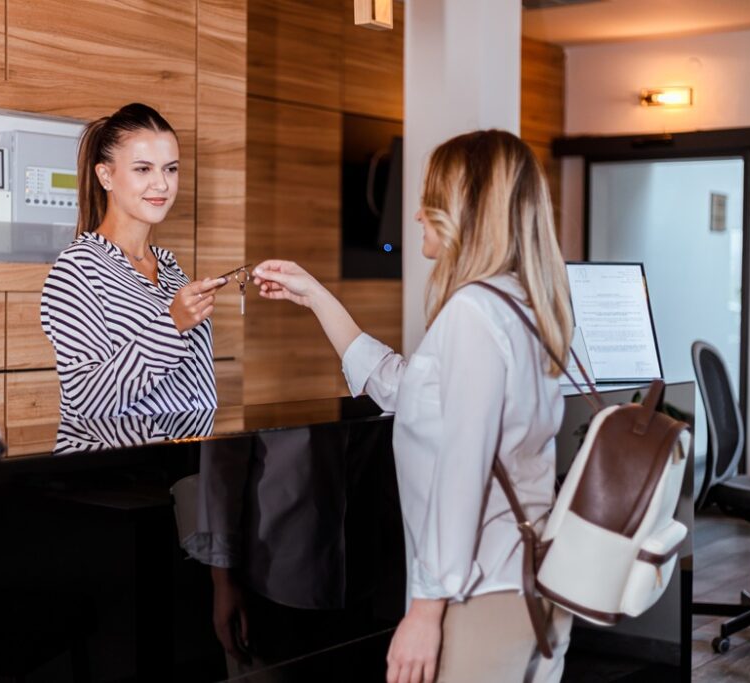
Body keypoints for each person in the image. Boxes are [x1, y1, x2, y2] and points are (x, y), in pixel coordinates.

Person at [251, 130, 575, 683]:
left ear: (464, 210)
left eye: (431, 198)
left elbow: (462, 471)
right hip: (525, 581)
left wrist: (425, 611)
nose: (418, 214)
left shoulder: (473, 313)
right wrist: (316, 296)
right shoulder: (521, 303)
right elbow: (408, 390)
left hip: (480, 595)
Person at [41, 103, 226, 419]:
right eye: (143, 169)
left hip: (193, 450)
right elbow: (88, 400)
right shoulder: (77, 269)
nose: (162, 184)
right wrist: (172, 325)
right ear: (106, 176)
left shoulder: (171, 271)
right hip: (115, 453)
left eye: (171, 169)